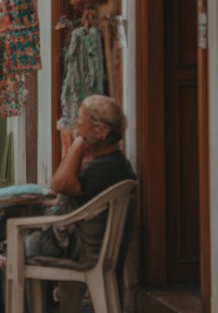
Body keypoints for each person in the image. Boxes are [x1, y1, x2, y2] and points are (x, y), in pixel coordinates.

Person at [26, 95, 136, 266]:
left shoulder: (107, 167)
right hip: (86, 246)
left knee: (18, 247)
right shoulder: (112, 163)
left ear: (102, 130)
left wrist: (77, 144)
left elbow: (58, 185)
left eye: (80, 118)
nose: (75, 123)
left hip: (83, 250)